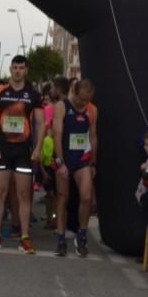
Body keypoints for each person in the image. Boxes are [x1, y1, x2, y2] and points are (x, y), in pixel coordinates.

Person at [0, 55, 44, 254]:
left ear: (26, 70)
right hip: (2, 149)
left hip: (23, 151)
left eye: (21, 68)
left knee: (24, 195)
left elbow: (41, 123)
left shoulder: (33, 94)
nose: (18, 71)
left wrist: (37, 148)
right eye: (15, 67)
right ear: (10, 69)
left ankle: (25, 237)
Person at [52, 79, 99, 257]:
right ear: (74, 92)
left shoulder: (92, 110)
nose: (83, 103)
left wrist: (93, 161)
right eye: (80, 99)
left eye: (87, 100)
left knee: (86, 196)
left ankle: (82, 236)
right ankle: (61, 238)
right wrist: (60, 162)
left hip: (83, 158)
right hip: (64, 157)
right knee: (63, 197)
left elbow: (93, 136)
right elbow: (57, 134)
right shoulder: (62, 106)